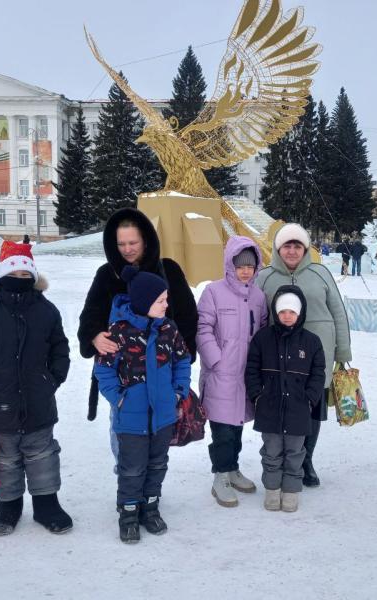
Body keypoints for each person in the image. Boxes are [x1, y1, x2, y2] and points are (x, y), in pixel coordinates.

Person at [0, 241, 72, 536]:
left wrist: (52, 380)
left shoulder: (46, 311)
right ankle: (9, 504)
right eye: (13, 273)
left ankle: (47, 503)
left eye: (25, 275)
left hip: (39, 401)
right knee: (5, 457)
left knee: (42, 453)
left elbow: (60, 348)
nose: (19, 280)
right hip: (1, 401)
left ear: (33, 278)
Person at [78, 207, 197, 460]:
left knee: (158, 442)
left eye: (133, 242)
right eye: (121, 243)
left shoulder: (169, 270)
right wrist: (94, 336)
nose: (127, 249)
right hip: (124, 378)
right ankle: (128, 487)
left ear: (146, 240)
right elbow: (90, 315)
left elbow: (187, 316)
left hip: (161, 374)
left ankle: (149, 489)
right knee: (124, 439)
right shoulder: (107, 275)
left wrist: (181, 361)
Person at [95, 266, 191, 543]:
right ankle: (128, 513)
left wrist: (178, 392)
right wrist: (119, 398)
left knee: (157, 464)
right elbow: (103, 370)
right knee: (132, 467)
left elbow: (182, 359)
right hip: (131, 418)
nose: (166, 304)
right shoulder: (118, 333)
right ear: (144, 302)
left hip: (163, 414)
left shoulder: (168, 329)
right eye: (161, 300)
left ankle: (150, 507)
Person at [256, 223, 352, 488]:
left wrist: (342, 351)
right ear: (278, 248)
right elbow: (256, 317)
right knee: (282, 409)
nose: (292, 250)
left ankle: (305, 461)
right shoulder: (265, 277)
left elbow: (338, 312)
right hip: (279, 359)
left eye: (297, 245)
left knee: (310, 411)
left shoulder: (320, 273)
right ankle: (279, 461)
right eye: (287, 245)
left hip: (316, 358)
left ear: (306, 249)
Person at [197, 236, 268, 508]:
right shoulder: (213, 292)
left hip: (246, 375)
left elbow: (261, 331)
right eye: (240, 265)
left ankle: (233, 468)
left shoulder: (259, 296)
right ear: (230, 265)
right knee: (222, 430)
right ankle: (220, 476)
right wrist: (216, 360)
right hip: (221, 375)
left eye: (250, 265)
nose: (245, 270)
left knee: (237, 427)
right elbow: (202, 329)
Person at [246, 286, 326, 512]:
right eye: (283, 312)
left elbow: (318, 373)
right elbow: (251, 368)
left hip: (299, 409)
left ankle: (290, 491)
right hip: (269, 407)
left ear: (300, 314)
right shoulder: (263, 338)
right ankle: (272, 490)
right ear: (276, 313)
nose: (287, 316)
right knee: (271, 451)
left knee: (295, 453)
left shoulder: (312, 341)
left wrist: (310, 398)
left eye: (292, 311)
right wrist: (257, 395)